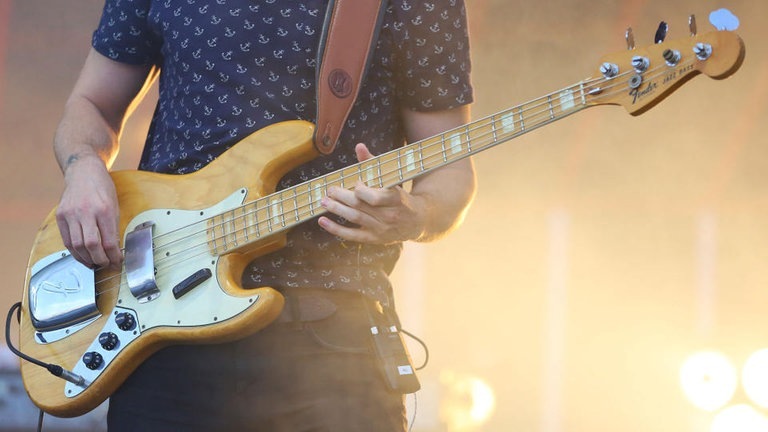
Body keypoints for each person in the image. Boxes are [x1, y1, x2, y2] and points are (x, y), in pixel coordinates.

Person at [52, 0, 476, 430]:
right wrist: (83, 164)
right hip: (164, 326)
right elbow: (91, 104)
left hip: (332, 339)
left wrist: (417, 215)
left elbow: (451, 168)